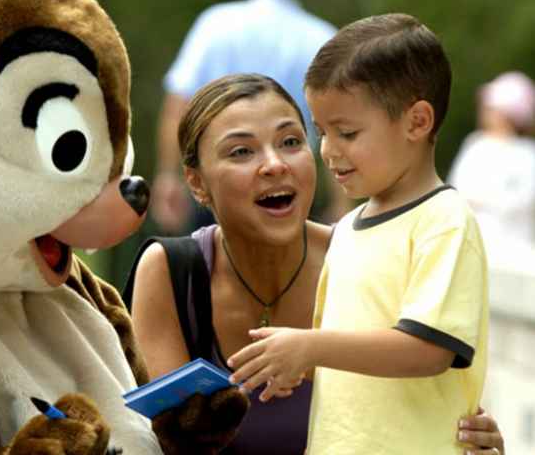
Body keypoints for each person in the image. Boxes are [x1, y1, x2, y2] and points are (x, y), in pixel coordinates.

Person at [128, 73, 504, 454]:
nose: (275, 164)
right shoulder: (171, 272)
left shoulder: (364, 258)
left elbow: (418, 398)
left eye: (291, 141)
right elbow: (167, 444)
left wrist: (464, 438)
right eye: (241, 151)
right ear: (196, 183)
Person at [227, 14, 491, 454]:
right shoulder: (348, 229)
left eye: (347, 133)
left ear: (417, 121)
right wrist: (300, 365)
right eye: (322, 132)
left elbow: (428, 350)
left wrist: (310, 348)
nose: (328, 151)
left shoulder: (444, 221)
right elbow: (350, 351)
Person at [150, 0, 341, 234]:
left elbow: (177, 107)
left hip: (219, 189)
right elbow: (335, 128)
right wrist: (342, 204)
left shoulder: (216, 24)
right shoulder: (322, 37)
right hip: (288, 191)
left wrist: (169, 177)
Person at [448, 71, 535, 270]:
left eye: (492, 109)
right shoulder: (475, 145)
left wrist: (483, 198)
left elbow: (525, 200)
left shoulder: (527, 155)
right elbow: (455, 189)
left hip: (513, 251)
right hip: (472, 245)